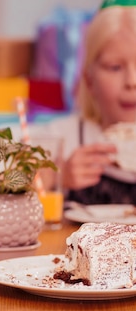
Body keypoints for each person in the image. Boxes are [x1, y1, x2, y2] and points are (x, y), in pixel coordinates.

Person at [29, 0, 136, 205]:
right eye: (115, 67)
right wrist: (57, 176)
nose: (132, 82)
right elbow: (1, 188)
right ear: (89, 80)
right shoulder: (63, 138)